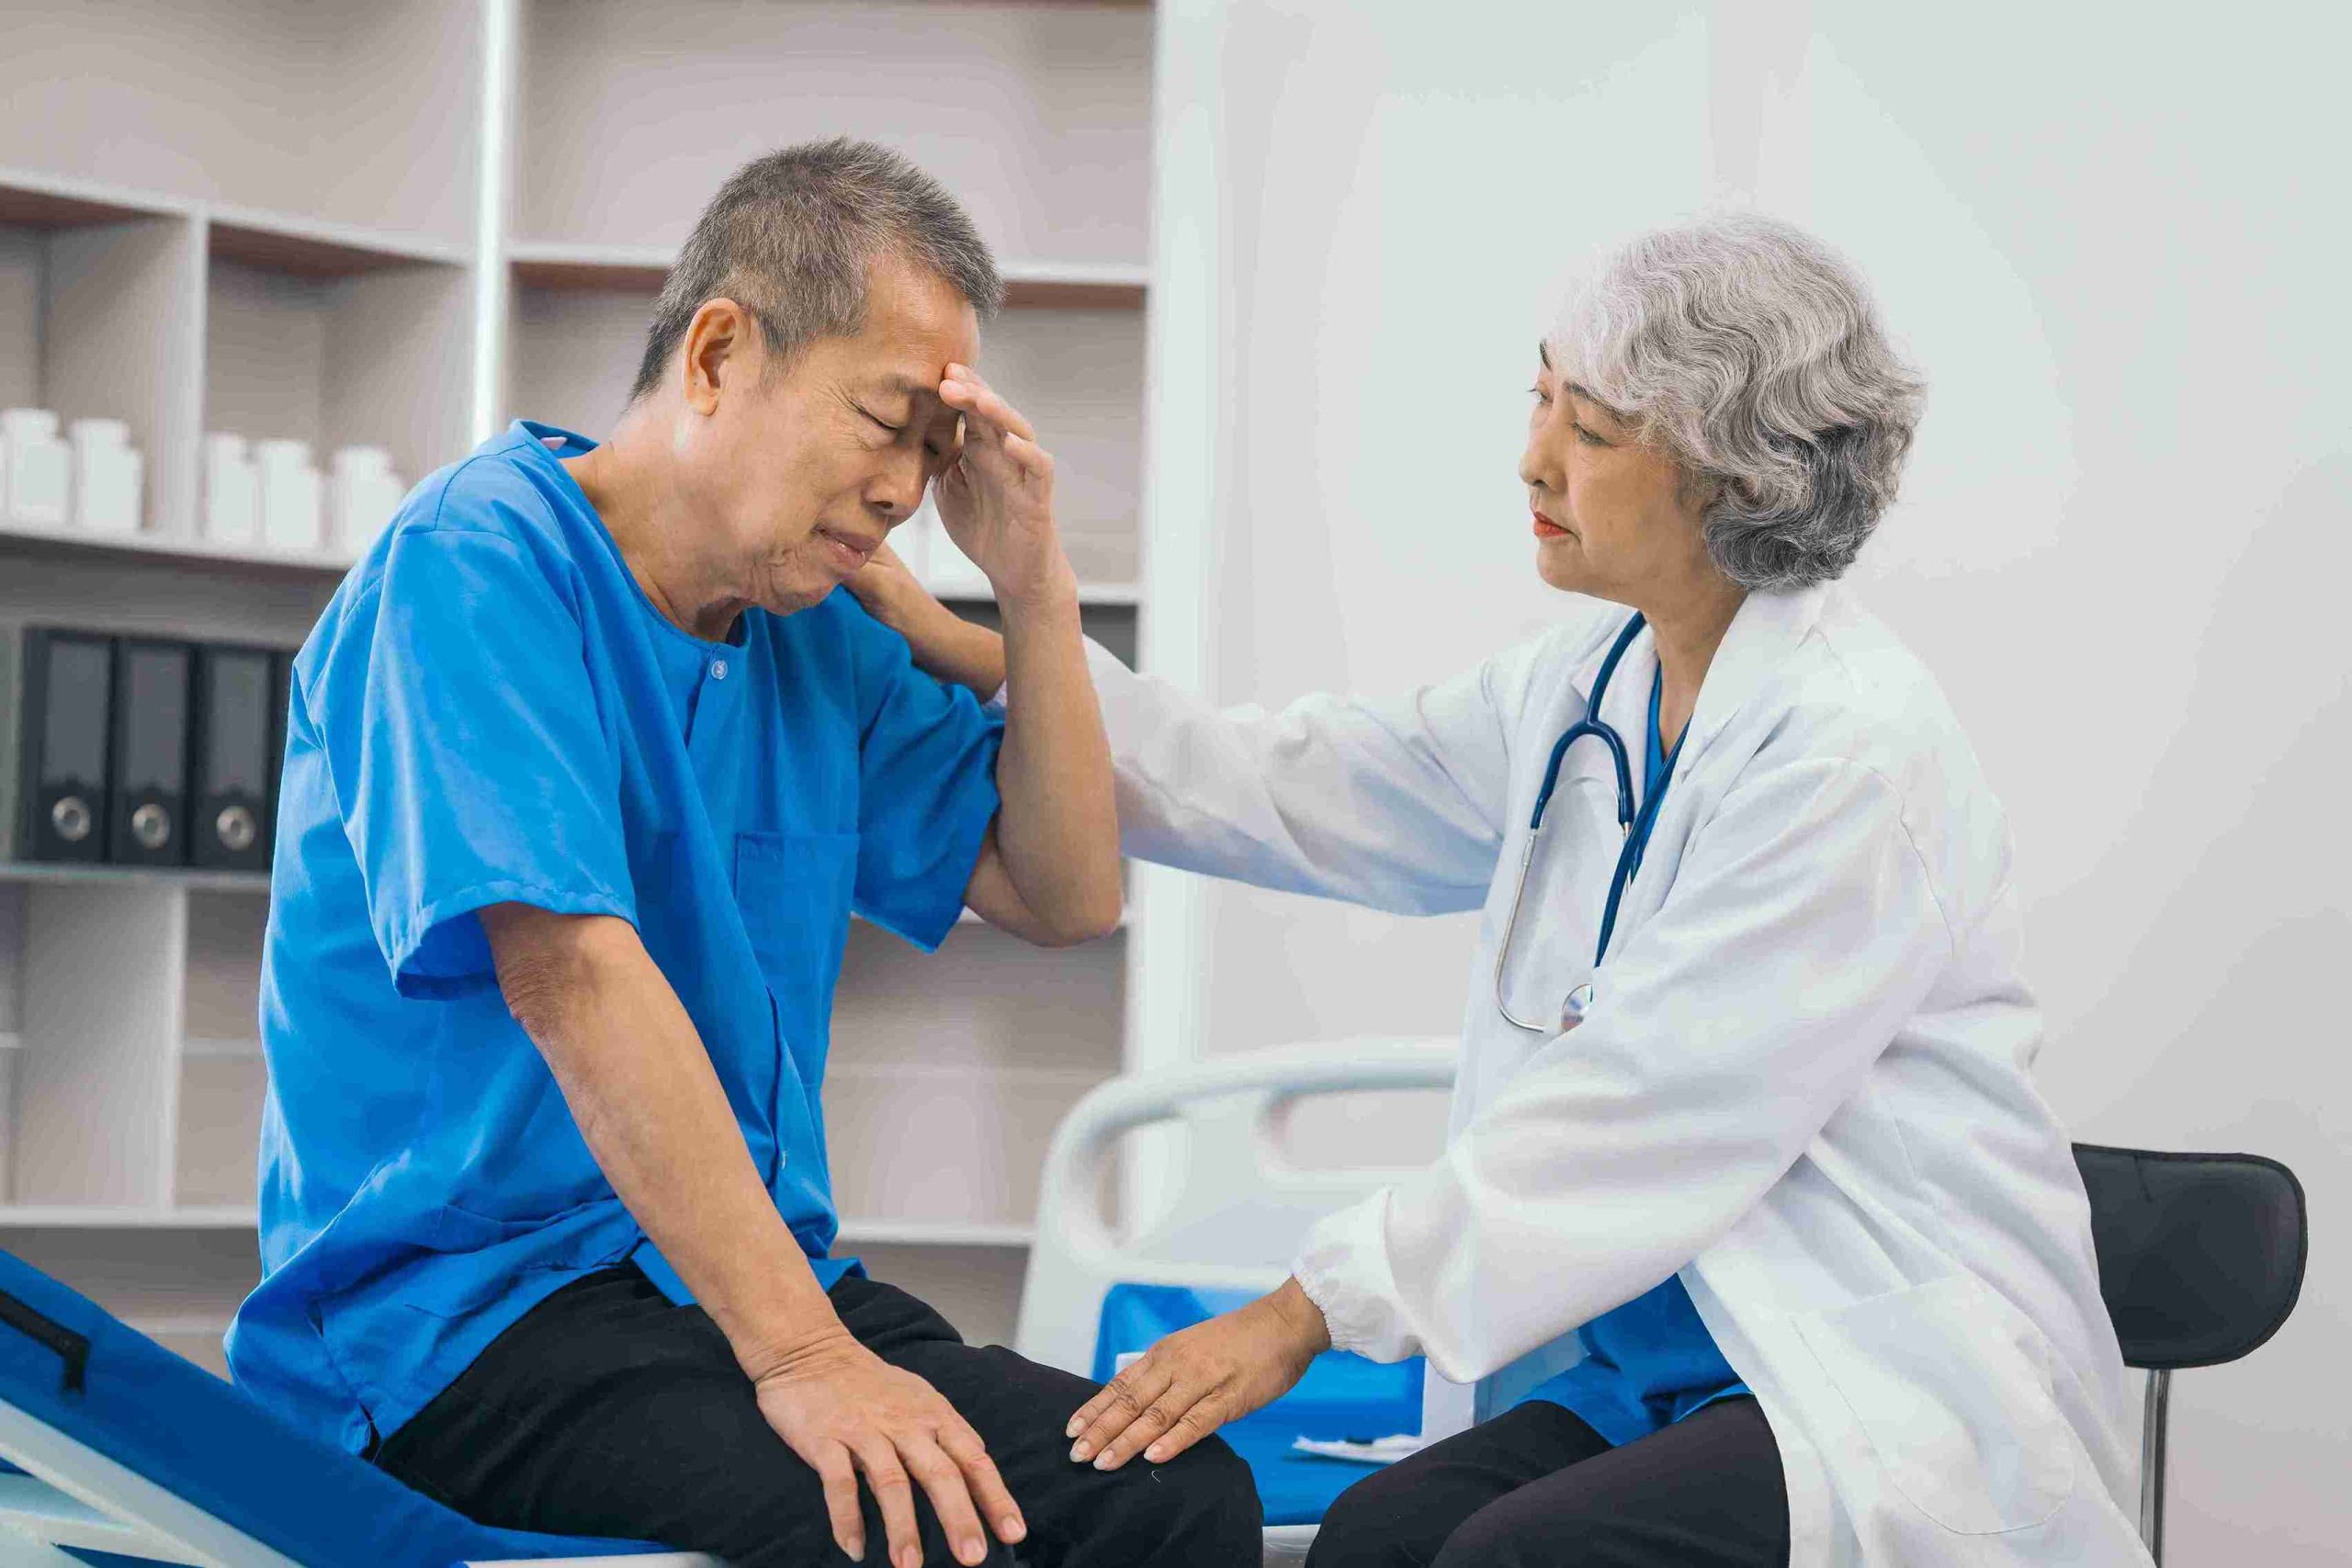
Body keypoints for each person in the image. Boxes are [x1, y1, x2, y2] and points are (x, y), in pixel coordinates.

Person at [851, 213, 2151, 1565]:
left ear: (1728, 477)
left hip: (1858, 1364)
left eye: (1589, 432)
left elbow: (1646, 1108)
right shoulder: (1584, 689)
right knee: (1377, 1542)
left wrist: (1303, 1310)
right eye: (1542, 399)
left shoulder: (1854, 756)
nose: (1533, 458)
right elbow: (1289, 782)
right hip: (1668, 1370)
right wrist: (998, 644)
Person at [227, 139, 1261, 1568]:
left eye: (933, 451)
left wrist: (1033, 586)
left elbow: (1066, 890)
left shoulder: (808, 633)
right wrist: (805, 1361)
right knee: (911, 1537)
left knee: (1169, 1497)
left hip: (724, 1292)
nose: (905, 490)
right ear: (719, 353)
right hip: (462, 1327)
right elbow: (576, 982)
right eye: (885, 423)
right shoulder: (475, 567)